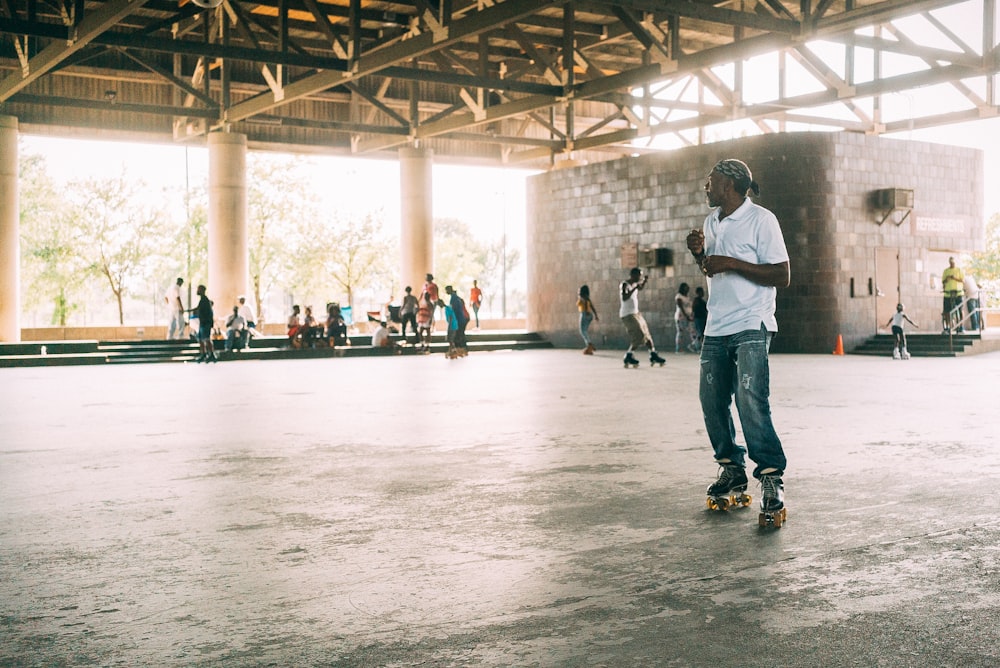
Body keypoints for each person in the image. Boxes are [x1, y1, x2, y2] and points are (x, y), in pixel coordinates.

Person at [686, 158, 790, 526]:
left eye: (710, 180)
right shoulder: (711, 221)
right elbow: (712, 268)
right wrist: (700, 255)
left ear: (729, 184)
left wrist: (730, 262)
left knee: (750, 399)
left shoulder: (762, 220)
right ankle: (731, 467)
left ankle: (771, 476)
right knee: (711, 400)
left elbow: (782, 274)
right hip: (717, 324)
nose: (705, 186)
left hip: (752, 321)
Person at [619, 267, 666, 368]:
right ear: (633, 275)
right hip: (627, 314)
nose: (639, 278)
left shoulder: (635, 284)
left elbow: (640, 287)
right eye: (639, 276)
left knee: (647, 334)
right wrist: (635, 288)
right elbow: (624, 297)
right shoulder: (624, 284)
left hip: (636, 313)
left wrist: (644, 282)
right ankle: (628, 355)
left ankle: (653, 354)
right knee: (639, 335)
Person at [191, 284, 216, 363]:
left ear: (202, 290)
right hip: (203, 323)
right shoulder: (203, 300)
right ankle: (204, 353)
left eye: (198, 289)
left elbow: (201, 310)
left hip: (205, 323)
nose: (197, 291)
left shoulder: (204, 300)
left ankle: (211, 354)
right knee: (201, 339)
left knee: (206, 339)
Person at [941, 256, 965, 332]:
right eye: (951, 263)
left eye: (953, 263)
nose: (952, 264)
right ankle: (948, 326)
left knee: (960, 309)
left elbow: (962, 280)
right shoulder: (946, 271)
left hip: (958, 293)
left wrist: (955, 278)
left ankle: (961, 326)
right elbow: (943, 281)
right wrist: (947, 279)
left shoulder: (959, 270)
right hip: (948, 294)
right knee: (947, 311)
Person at [445, 285, 470, 357]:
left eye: (446, 290)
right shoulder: (456, 298)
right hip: (462, 318)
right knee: (460, 334)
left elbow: (454, 311)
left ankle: (462, 350)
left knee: (459, 335)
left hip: (461, 319)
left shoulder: (454, 299)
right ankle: (462, 350)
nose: (446, 292)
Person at [674, 282, 697, 353]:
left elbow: (690, 307)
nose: (687, 289)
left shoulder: (687, 297)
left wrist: (691, 315)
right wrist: (686, 316)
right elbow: (681, 307)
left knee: (693, 331)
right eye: (686, 288)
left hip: (689, 317)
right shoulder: (679, 297)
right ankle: (678, 349)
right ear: (682, 288)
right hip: (681, 317)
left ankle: (694, 346)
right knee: (680, 333)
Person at [577, 285, 599, 355]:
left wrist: (586, 311)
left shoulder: (582, 298)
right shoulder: (587, 298)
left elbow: (585, 304)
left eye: (579, 290)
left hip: (584, 314)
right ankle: (589, 346)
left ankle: (589, 345)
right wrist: (596, 315)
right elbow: (592, 306)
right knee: (585, 331)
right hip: (589, 315)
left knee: (582, 331)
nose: (578, 292)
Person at [692, 286, 708, 351]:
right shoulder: (697, 300)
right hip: (699, 319)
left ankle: (698, 346)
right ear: (698, 292)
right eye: (701, 291)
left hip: (702, 318)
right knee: (700, 333)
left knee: (701, 333)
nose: (703, 293)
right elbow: (695, 309)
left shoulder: (701, 300)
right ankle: (695, 346)